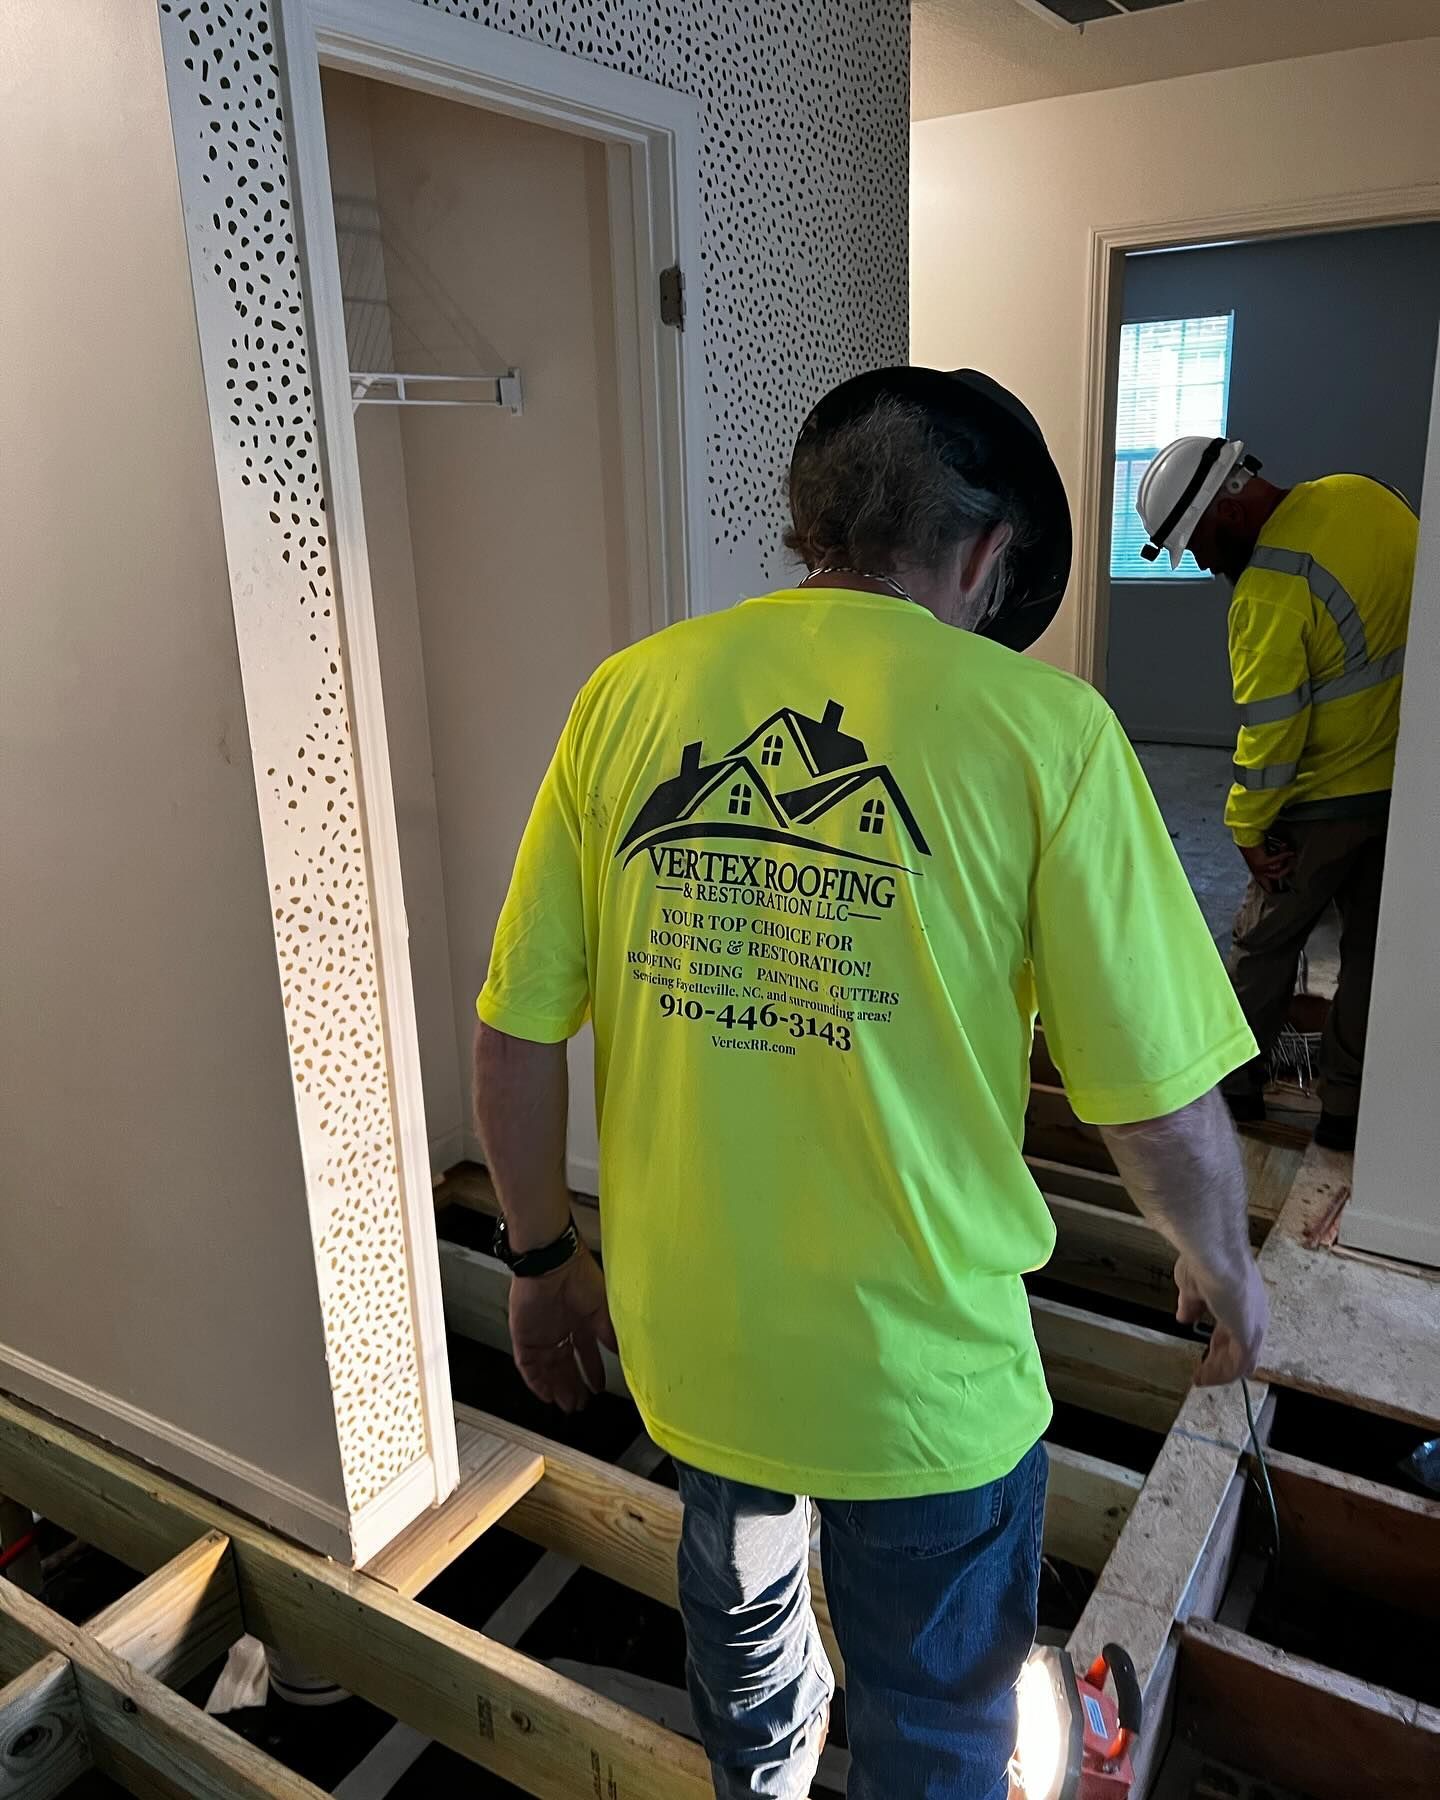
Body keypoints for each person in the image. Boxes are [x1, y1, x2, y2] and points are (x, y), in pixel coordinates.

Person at [474, 369, 1268, 1800]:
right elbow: (1152, 1103)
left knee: (745, 1639)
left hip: (696, 1344)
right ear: (984, 556)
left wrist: (538, 1262)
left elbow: (516, 1035)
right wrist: (1226, 1271)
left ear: (812, 526)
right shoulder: (1047, 732)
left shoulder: (627, 696)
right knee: (938, 1725)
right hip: (923, 1388)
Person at [1136, 438, 1417, 1150]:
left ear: (1228, 510)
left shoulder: (1268, 589)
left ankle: (1232, 1092)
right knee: (1374, 955)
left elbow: (1271, 735)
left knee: (1263, 943)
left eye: (1199, 546)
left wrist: (1249, 831)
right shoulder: (1364, 496)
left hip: (1319, 800)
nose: (1204, 565)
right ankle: (1346, 1112)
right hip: (1405, 785)